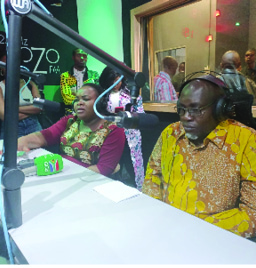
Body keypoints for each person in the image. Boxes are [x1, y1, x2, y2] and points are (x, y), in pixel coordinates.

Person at [142, 74, 256, 238]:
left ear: (220, 109)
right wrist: (158, 216)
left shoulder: (247, 140)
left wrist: (195, 229)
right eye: (181, 109)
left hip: (215, 241)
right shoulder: (170, 134)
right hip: (165, 232)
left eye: (195, 110)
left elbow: (252, 214)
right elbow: (152, 176)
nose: (185, 117)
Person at [18, 83, 126, 177]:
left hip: (89, 183)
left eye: (86, 99)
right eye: (76, 100)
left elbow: (103, 169)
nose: (79, 103)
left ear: (100, 102)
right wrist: (18, 143)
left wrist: (66, 178)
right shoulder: (70, 120)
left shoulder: (114, 130)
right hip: (63, 175)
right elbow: (44, 136)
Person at [99, 67, 145, 190]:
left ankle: (139, 188)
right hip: (110, 136)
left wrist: (129, 117)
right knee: (112, 164)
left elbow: (141, 114)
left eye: (118, 80)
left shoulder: (131, 95)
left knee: (133, 163)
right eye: (112, 81)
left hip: (130, 135)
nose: (116, 84)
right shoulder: (102, 96)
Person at [0, 51, 42, 139]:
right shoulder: (0, 86)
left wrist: (13, 109)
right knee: (12, 152)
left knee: (39, 152)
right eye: (5, 63)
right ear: (1, 68)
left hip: (33, 126)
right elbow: (5, 116)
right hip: (12, 129)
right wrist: (31, 110)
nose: (10, 65)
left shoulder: (30, 84)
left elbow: (39, 107)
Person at [60, 48, 99, 115]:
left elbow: (97, 96)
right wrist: (87, 100)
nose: (81, 58)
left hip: (90, 113)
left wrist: (77, 97)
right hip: (72, 113)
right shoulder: (65, 76)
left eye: (84, 56)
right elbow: (66, 99)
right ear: (73, 57)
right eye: (78, 55)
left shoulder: (93, 75)